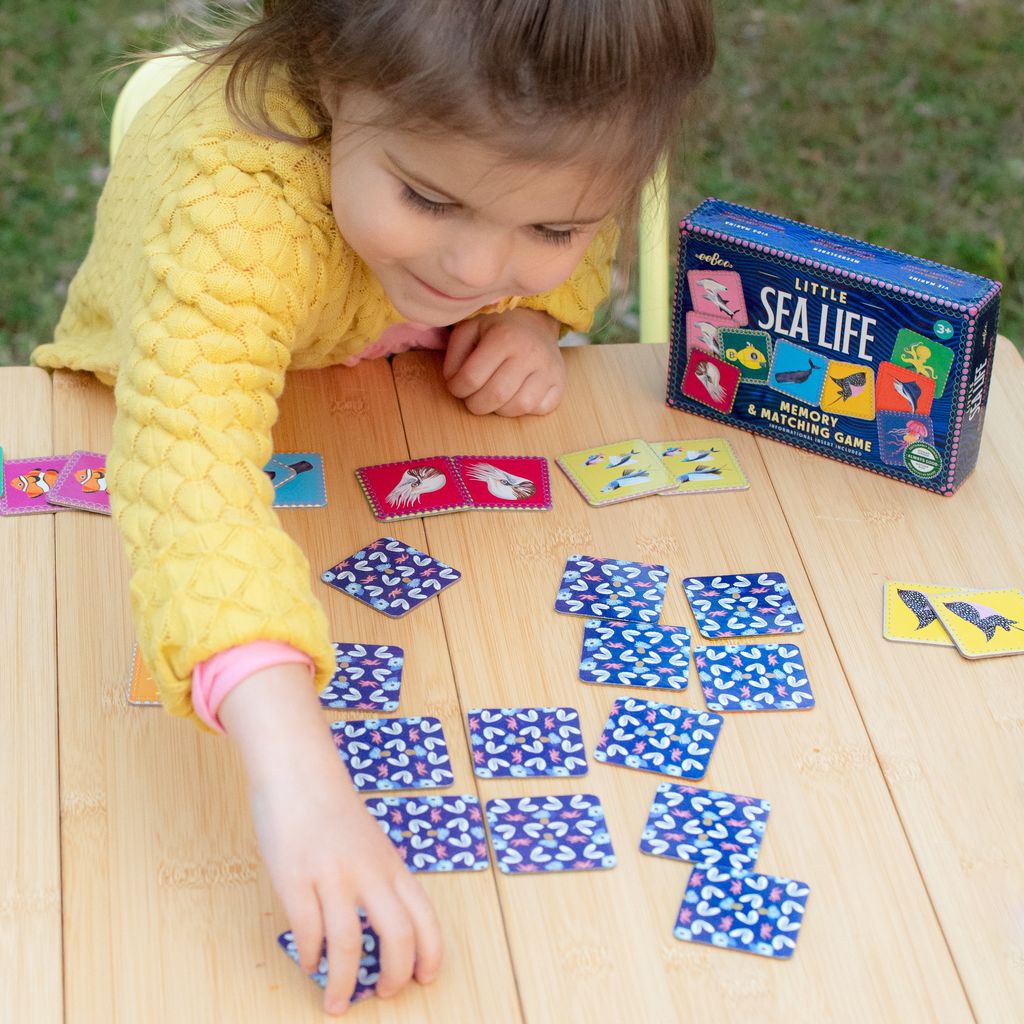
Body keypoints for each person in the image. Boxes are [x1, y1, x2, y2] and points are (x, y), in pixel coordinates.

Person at [32, 0, 715, 1013]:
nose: (475, 268)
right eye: (428, 197)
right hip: (162, 384)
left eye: (550, 227)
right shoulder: (237, 199)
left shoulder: (523, 192)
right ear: (324, 79)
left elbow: (549, 250)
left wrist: (534, 317)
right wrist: (299, 779)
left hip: (383, 399)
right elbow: (190, 466)